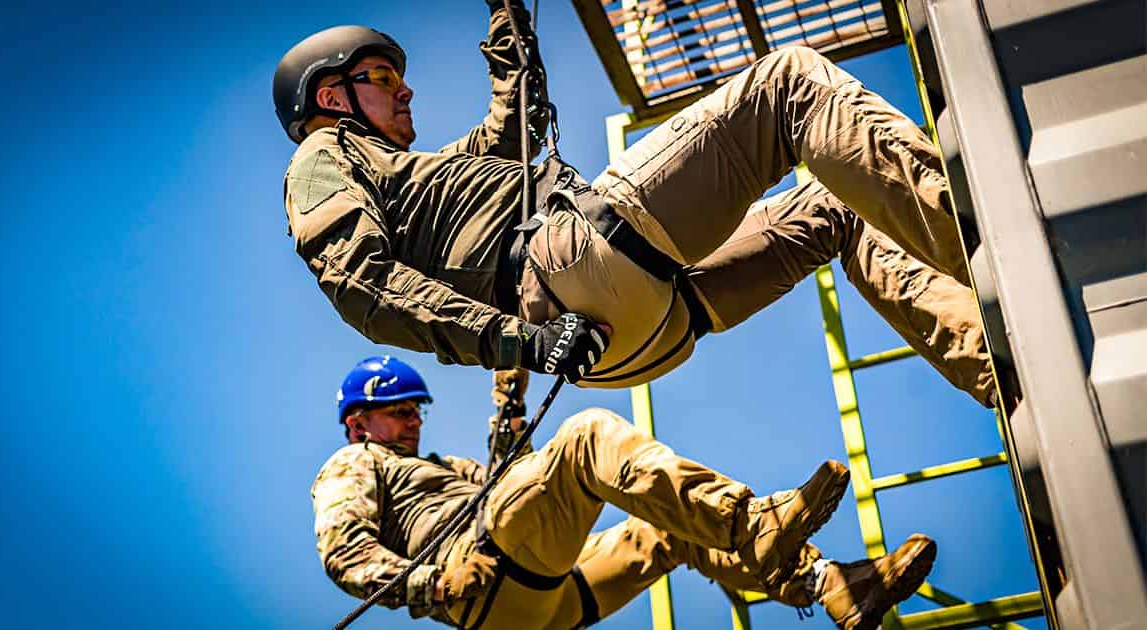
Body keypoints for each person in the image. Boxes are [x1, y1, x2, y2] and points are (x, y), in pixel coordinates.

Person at [273, 1, 994, 405]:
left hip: (641, 327)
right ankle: (995, 234)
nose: (405, 89)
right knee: (789, 85)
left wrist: (504, 10)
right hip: (571, 277)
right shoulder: (323, 157)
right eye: (382, 77)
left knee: (832, 210)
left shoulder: (433, 179)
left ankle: (996, 360)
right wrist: (516, 342)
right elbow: (360, 284)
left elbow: (514, 122)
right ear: (332, 96)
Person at [312, 356, 937, 629]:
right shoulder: (352, 463)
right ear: (359, 422)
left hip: (540, 595)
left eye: (415, 409)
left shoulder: (448, 467)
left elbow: (521, 491)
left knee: (668, 530)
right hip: (476, 586)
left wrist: (510, 403)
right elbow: (344, 552)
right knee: (587, 436)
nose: (413, 420)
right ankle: (749, 523)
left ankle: (832, 586)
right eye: (397, 411)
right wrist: (433, 584)